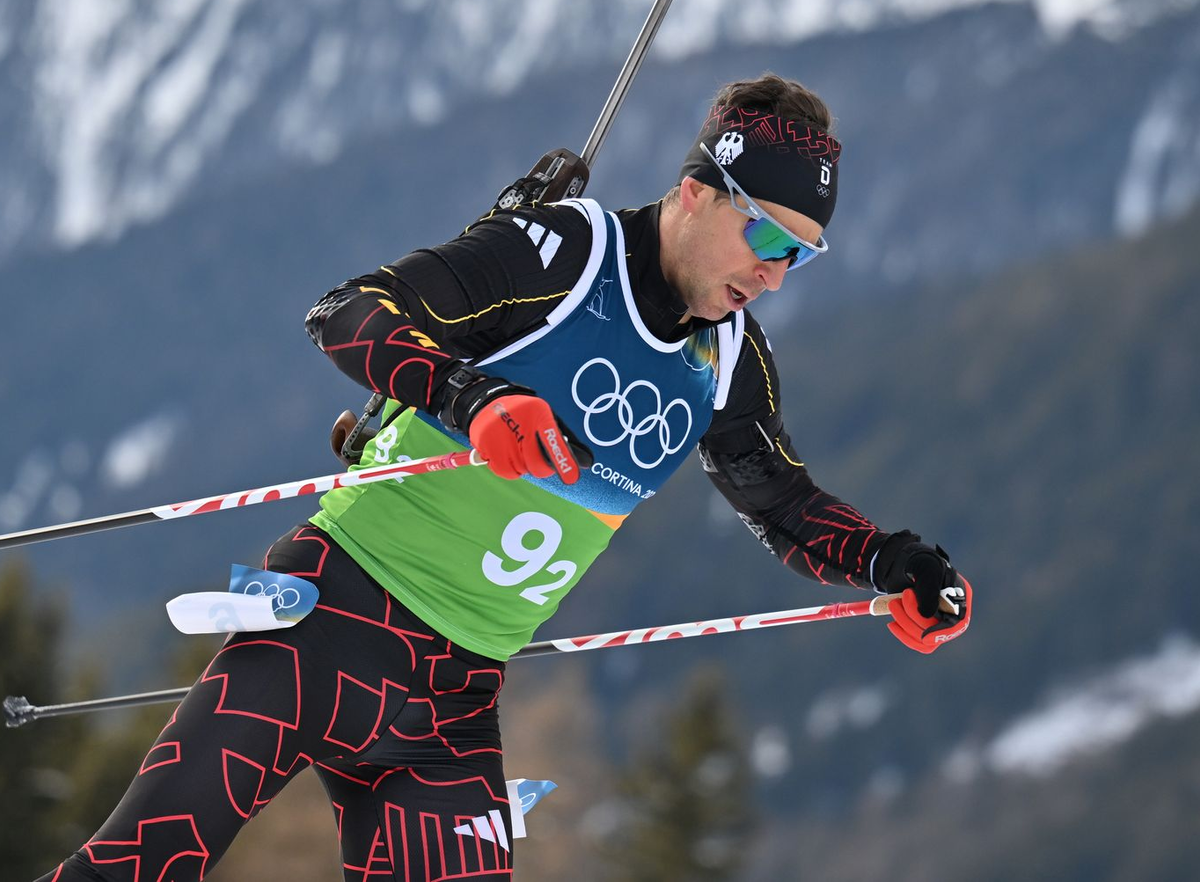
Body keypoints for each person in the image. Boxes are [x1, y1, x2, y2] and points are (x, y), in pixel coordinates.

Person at [37, 72, 970, 882]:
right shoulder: (564, 254)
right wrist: (468, 397)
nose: (776, 277)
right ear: (696, 192)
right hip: (325, 625)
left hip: (451, 702)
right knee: (139, 866)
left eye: (802, 256)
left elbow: (786, 506)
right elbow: (346, 312)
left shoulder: (729, 362)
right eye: (769, 241)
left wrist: (897, 562)